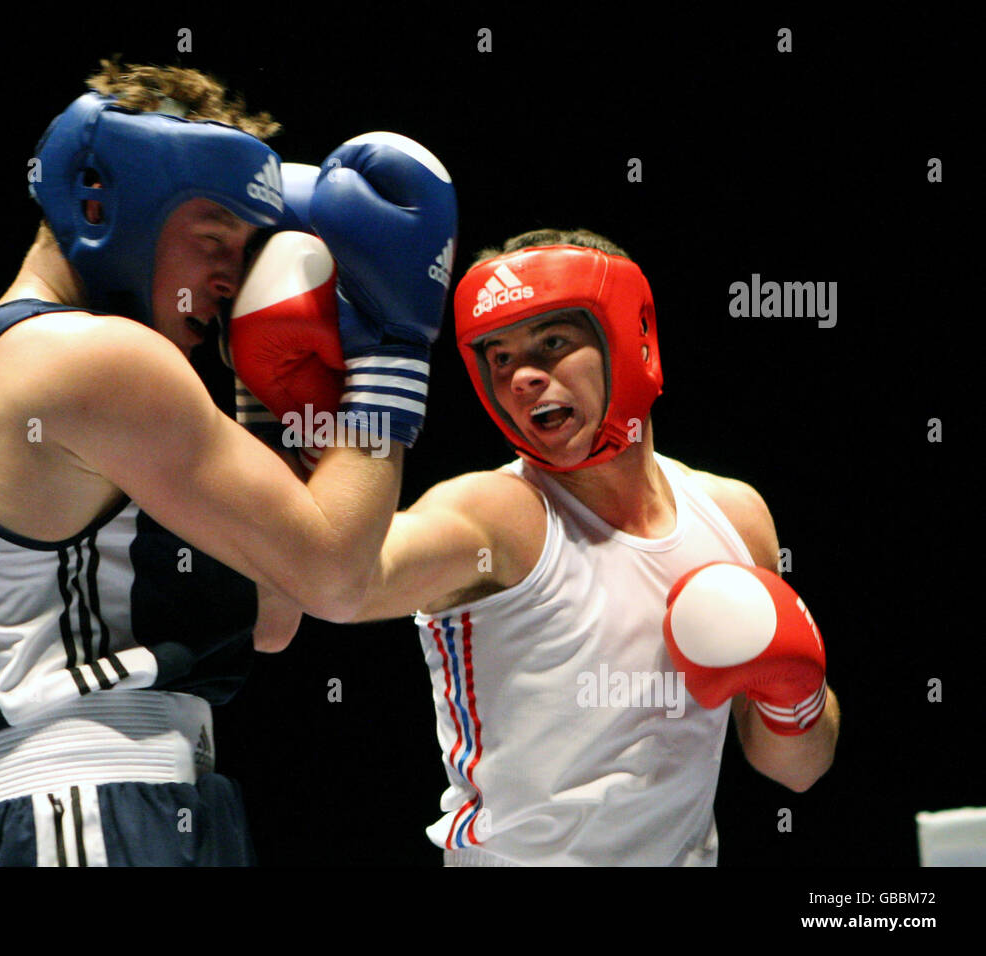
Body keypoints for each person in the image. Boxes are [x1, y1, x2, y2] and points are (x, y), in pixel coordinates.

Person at [0, 61, 456, 866]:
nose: (231, 277)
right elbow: (336, 577)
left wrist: (272, 392)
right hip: (91, 811)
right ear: (101, 205)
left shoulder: (20, 365)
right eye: (213, 238)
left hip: (124, 803)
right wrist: (393, 352)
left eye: (248, 248)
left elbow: (274, 609)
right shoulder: (89, 359)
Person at [276, 227, 840, 865]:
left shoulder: (735, 518)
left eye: (552, 342)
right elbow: (342, 583)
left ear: (631, 339)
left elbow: (798, 771)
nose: (522, 377)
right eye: (500, 356)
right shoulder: (498, 516)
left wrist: (795, 694)